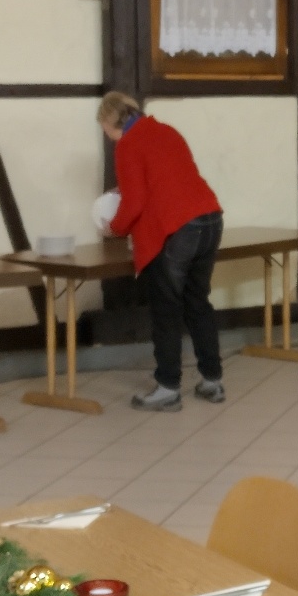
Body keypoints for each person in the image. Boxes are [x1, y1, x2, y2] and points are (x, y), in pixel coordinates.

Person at [96, 91, 225, 411]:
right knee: (197, 302)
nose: (107, 137)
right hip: (210, 219)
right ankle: (212, 381)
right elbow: (170, 179)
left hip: (178, 229)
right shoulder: (166, 130)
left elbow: (135, 203)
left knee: (167, 309)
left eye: (104, 129)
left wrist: (114, 228)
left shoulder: (127, 144)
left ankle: (167, 388)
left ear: (111, 122)